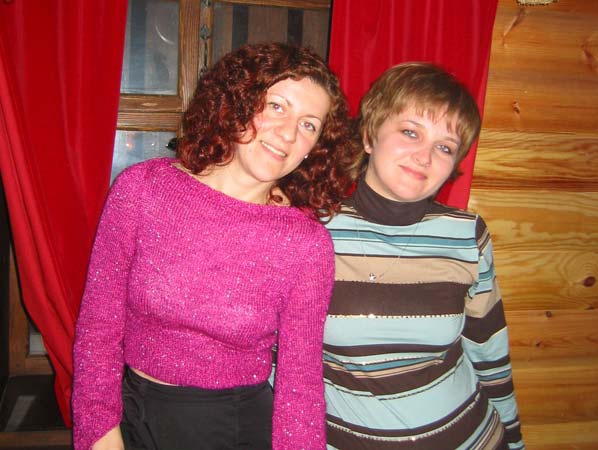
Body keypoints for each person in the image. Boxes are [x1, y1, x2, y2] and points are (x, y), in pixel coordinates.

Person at [72, 42, 357, 450]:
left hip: (229, 429)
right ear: (237, 101)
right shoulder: (142, 189)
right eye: (277, 106)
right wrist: (98, 430)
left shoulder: (306, 245)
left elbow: (301, 384)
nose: (289, 133)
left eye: (309, 125)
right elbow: (98, 325)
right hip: (127, 412)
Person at [323, 63, 525, 449]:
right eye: (410, 132)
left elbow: (489, 350)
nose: (424, 156)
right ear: (370, 135)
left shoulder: (466, 234)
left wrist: (514, 440)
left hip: (472, 438)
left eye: (444, 147)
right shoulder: (311, 231)